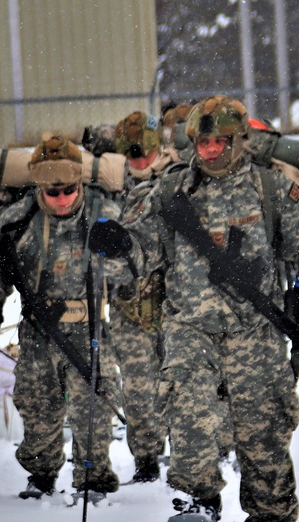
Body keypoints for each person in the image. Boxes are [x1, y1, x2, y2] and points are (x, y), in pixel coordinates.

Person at [90, 96, 299, 522]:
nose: (210, 151)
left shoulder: (269, 189)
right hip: (190, 327)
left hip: (255, 330)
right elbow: (140, 253)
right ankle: (196, 504)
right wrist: (117, 244)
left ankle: (270, 520)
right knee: (191, 415)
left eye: (220, 142)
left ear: (239, 140)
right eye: (202, 143)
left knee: (264, 425)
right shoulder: (170, 193)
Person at [0, 135, 124, 500]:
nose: (60, 200)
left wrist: (117, 248)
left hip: (87, 329)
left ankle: (93, 480)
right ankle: (41, 474)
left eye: (68, 191)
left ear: (79, 184)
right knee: (37, 405)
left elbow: (132, 267)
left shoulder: (103, 215)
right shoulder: (18, 220)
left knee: (92, 409)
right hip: (38, 332)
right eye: (51, 192)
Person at [106, 111, 176, 483]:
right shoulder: (108, 189)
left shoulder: (176, 180)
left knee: (181, 382)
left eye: (145, 152)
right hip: (128, 304)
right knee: (137, 387)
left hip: (174, 301)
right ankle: (147, 459)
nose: (139, 161)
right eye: (131, 154)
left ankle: (193, 457)